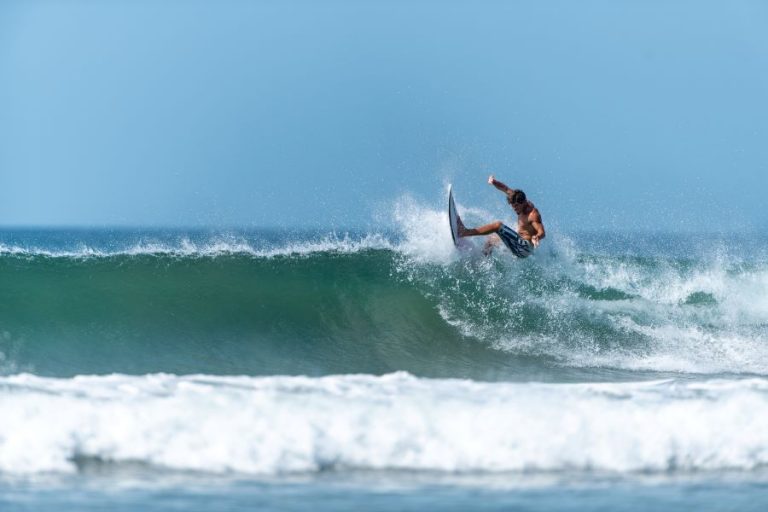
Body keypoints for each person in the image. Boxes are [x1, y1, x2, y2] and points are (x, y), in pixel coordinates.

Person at [457, 175, 545, 257]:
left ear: (524, 202)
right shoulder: (516, 197)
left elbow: (542, 232)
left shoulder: (533, 214)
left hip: (524, 248)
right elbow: (505, 189)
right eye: (513, 206)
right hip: (517, 242)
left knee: (498, 225)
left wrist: (537, 237)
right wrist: (494, 182)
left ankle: (465, 232)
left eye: (517, 206)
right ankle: (484, 258)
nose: (515, 209)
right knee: (491, 240)